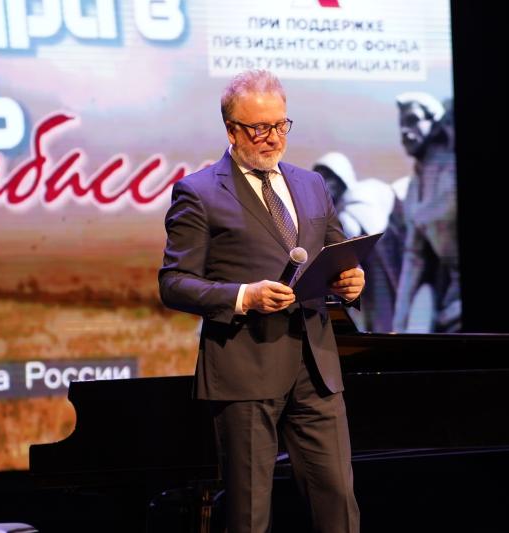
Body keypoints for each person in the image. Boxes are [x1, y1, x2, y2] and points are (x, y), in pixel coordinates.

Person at [158, 70, 363, 533]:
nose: (272, 137)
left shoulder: (311, 184)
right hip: (244, 370)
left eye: (280, 125)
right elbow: (173, 283)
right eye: (259, 128)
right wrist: (243, 296)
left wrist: (351, 280)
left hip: (316, 368)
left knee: (338, 501)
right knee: (249, 514)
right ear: (231, 130)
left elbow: (337, 254)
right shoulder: (199, 192)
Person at [392, 92, 461, 333]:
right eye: (402, 124)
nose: (405, 131)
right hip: (449, 302)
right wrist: (398, 329)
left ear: (434, 122)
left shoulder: (451, 171)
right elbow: (414, 260)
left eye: (413, 120)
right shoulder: (414, 188)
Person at [313, 152, 403, 331]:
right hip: (365, 262)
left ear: (342, 179)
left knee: (384, 309)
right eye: (321, 178)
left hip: (379, 256)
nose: (327, 184)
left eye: (330, 177)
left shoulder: (355, 199)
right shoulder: (341, 208)